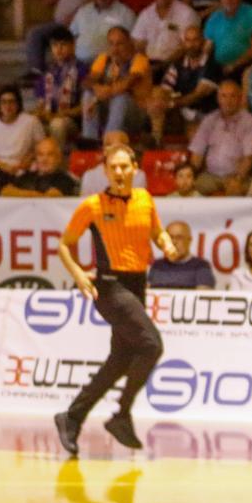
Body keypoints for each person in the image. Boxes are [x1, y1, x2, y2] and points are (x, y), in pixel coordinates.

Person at [54, 144, 180, 456]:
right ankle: (121, 415)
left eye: (125, 167)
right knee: (152, 345)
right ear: (106, 172)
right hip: (110, 288)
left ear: (135, 168)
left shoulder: (145, 199)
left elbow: (157, 231)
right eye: (114, 168)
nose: (120, 173)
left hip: (138, 286)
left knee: (120, 361)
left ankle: (72, 416)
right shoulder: (93, 206)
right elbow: (65, 245)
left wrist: (166, 244)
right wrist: (79, 274)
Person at [189, 80, 252, 196]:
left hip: (237, 176)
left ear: (240, 98)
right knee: (190, 187)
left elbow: (250, 157)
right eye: (224, 96)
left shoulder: (249, 121)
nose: (228, 101)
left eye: (233, 96)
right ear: (218, 99)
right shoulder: (210, 119)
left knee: (236, 190)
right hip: (210, 175)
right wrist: (191, 175)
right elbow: (197, 152)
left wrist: (238, 178)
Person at [82, 26, 150, 140]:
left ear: (129, 43)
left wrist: (104, 92)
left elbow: (127, 83)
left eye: (120, 44)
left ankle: (109, 142)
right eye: (111, 44)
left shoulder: (139, 59)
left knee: (121, 97)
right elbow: (87, 81)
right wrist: (95, 88)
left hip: (136, 115)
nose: (115, 49)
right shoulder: (104, 58)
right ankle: (90, 141)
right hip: (110, 112)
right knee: (88, 94)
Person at [0, 85, 45, 190]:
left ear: (18, 104)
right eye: (3, 102)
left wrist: (23, 164)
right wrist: (1, 165)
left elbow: (41, 147)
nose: (7, 106)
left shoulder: (31, 122)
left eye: (11, 102)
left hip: (22, 168)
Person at [131, 0, 199, 70]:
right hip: (148, 65)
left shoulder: (187, 14)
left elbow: (187, 46)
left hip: (177, 66)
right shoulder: (146, 14)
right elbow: (137, 43)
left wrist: (164, 65)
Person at [36, 27, 87, 149]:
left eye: (63, 45)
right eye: (55, 45)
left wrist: (61, 114)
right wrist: (42, 113)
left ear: (72, 46)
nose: (58, 49)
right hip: (51, 117)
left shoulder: (82, 70)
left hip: (73, 121)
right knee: (28, 122)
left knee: (57, 124)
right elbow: (41, 104)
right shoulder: (47, 72)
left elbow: (86, 106)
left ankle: (57, 164)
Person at [69, 0, 136, 66]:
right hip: (79, 63)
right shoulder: (83, 11)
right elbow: (71, 36)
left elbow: (132, 45)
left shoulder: (125, 14)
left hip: (109, 65)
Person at [162, 26, 222, 121]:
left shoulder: (213, 65)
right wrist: (162, 101)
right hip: (182, 111)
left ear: (202, 41)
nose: (191, 45)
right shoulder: (177, 64)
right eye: (188, 40)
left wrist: (171, 104)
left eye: (195, 40)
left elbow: (196, 96)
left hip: (205, 115)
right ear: (183, 43)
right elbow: (165, 90)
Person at [147, 221, 214, 290]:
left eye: (179, 238)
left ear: (189, 240)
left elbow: (203, 296)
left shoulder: (201, 266)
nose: (174, 242)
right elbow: (146, 295)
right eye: (170, 238)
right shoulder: (157, 266)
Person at [0, 138, 78, 197]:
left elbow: (50, 197)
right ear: (36, 158)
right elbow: (5, 191)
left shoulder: (65, 179)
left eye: (50, 154)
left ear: (58, 158)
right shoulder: (27, 176)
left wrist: (21, 193)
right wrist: (31, 194)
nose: (44, 159)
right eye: (40, 155)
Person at [79, 130, 147, 196]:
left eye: (119, 148)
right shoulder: (89, 177)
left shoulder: (139, 176)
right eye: (110, 147)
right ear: (103, 149)